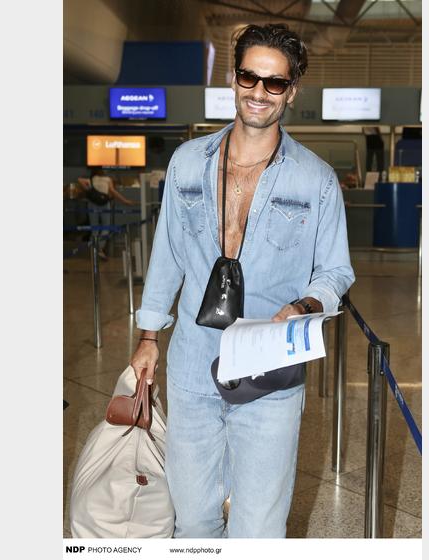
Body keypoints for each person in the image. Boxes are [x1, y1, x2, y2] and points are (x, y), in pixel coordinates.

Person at [130, 23, 354, 538]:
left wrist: (304, 306)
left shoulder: (316, 179)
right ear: (233, 78)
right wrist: (148, 338)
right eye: (250, 77)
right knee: (192, 521)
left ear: (291, 91)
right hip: (192, 362)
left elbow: (336, 269)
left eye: (274, 83)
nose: (259, 92)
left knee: (258, 528)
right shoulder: (188, 162)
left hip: (269, 366)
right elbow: (166, 255)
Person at [86, 168, 137, 259]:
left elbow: (80, 180)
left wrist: (89, 189)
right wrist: (125, 201)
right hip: (104, 204)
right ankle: (99, 248)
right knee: (106, 227)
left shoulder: (91, 179)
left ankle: (93, 247)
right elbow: (113, 192)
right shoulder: (107, 179)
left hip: (92, 204)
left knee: (94, 228)